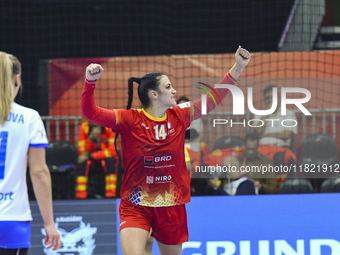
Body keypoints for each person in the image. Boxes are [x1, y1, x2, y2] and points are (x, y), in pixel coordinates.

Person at [81, 46, 251, 255]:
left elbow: (213, 98)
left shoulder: (180, 115)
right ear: (154, 94)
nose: (174, 91)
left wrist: (239, 66)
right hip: (136, 204)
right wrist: (90, 81)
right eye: (168, 87)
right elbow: (90, 112)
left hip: (171, 206)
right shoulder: (129, 119)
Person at [0, 52, 61, 254]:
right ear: (16, 79)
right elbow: (39, 173)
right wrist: (49, 223)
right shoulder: (30, 118)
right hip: (12, 219)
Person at [76, 119, 119, 199]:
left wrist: (91, 155)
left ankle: (111, 194)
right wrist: (90, 139)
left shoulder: (110, 128)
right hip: (90, 159)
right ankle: (81, 195)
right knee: (81, 163)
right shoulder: (83, 128)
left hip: (103, 157)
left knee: (110, 162)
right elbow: (82, 152)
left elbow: (112, 152)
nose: (94, 123)